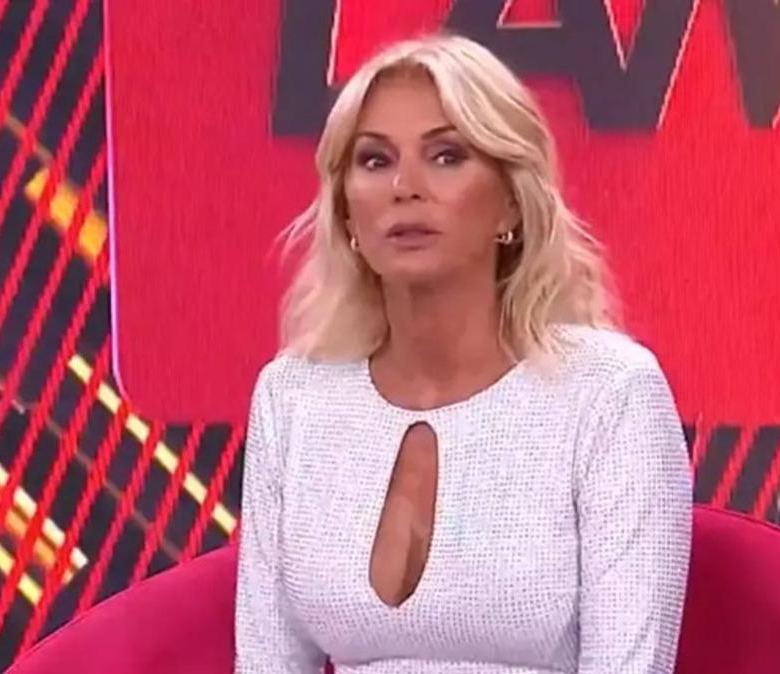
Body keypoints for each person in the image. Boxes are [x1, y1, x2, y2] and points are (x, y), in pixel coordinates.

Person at [235, 34, 692, 674]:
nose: (405, 187)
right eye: (375, 160)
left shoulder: (609, 391)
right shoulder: (292, 397)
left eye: (447, 156)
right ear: (346, 214)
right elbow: (266, 662)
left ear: (510, 202)